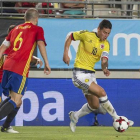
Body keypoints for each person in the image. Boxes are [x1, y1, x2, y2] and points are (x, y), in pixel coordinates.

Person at [63, 19, 134, 132]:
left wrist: (105, 68)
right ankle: (117, 118)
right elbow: (70, 37)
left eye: (108, 33)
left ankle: (75, 116)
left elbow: (104, 60)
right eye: (104, 32)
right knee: (102, 92)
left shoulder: (106, 44)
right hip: (79, 74)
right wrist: (66, 53)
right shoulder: (86, 35)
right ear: (98, 29)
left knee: (95, 105)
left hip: (90, 75)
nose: (106, 35)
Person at [0, 8, 51, 133]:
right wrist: (46, 63)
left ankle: (6, 127)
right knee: (15, 100)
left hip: (7, 66)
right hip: (19, 68)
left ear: (25, 18)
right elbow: (40, 44)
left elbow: (3, 47)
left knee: (17, 101)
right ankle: (5, 126)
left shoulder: (15, 29)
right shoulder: (37, 29)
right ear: (36, 19)